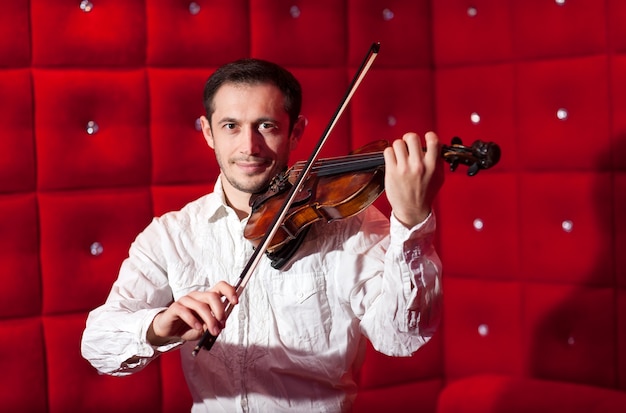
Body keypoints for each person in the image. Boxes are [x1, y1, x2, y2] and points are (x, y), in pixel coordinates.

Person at [81, 58, 445, 412]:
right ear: (208, 132)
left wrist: (412, 220)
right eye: (230, 126)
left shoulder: (348, 224)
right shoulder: (173, 234)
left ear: (296, 131)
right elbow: (98, 345)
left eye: (266, 126)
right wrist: (159, 326)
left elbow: (401, 337)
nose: (249, 147)